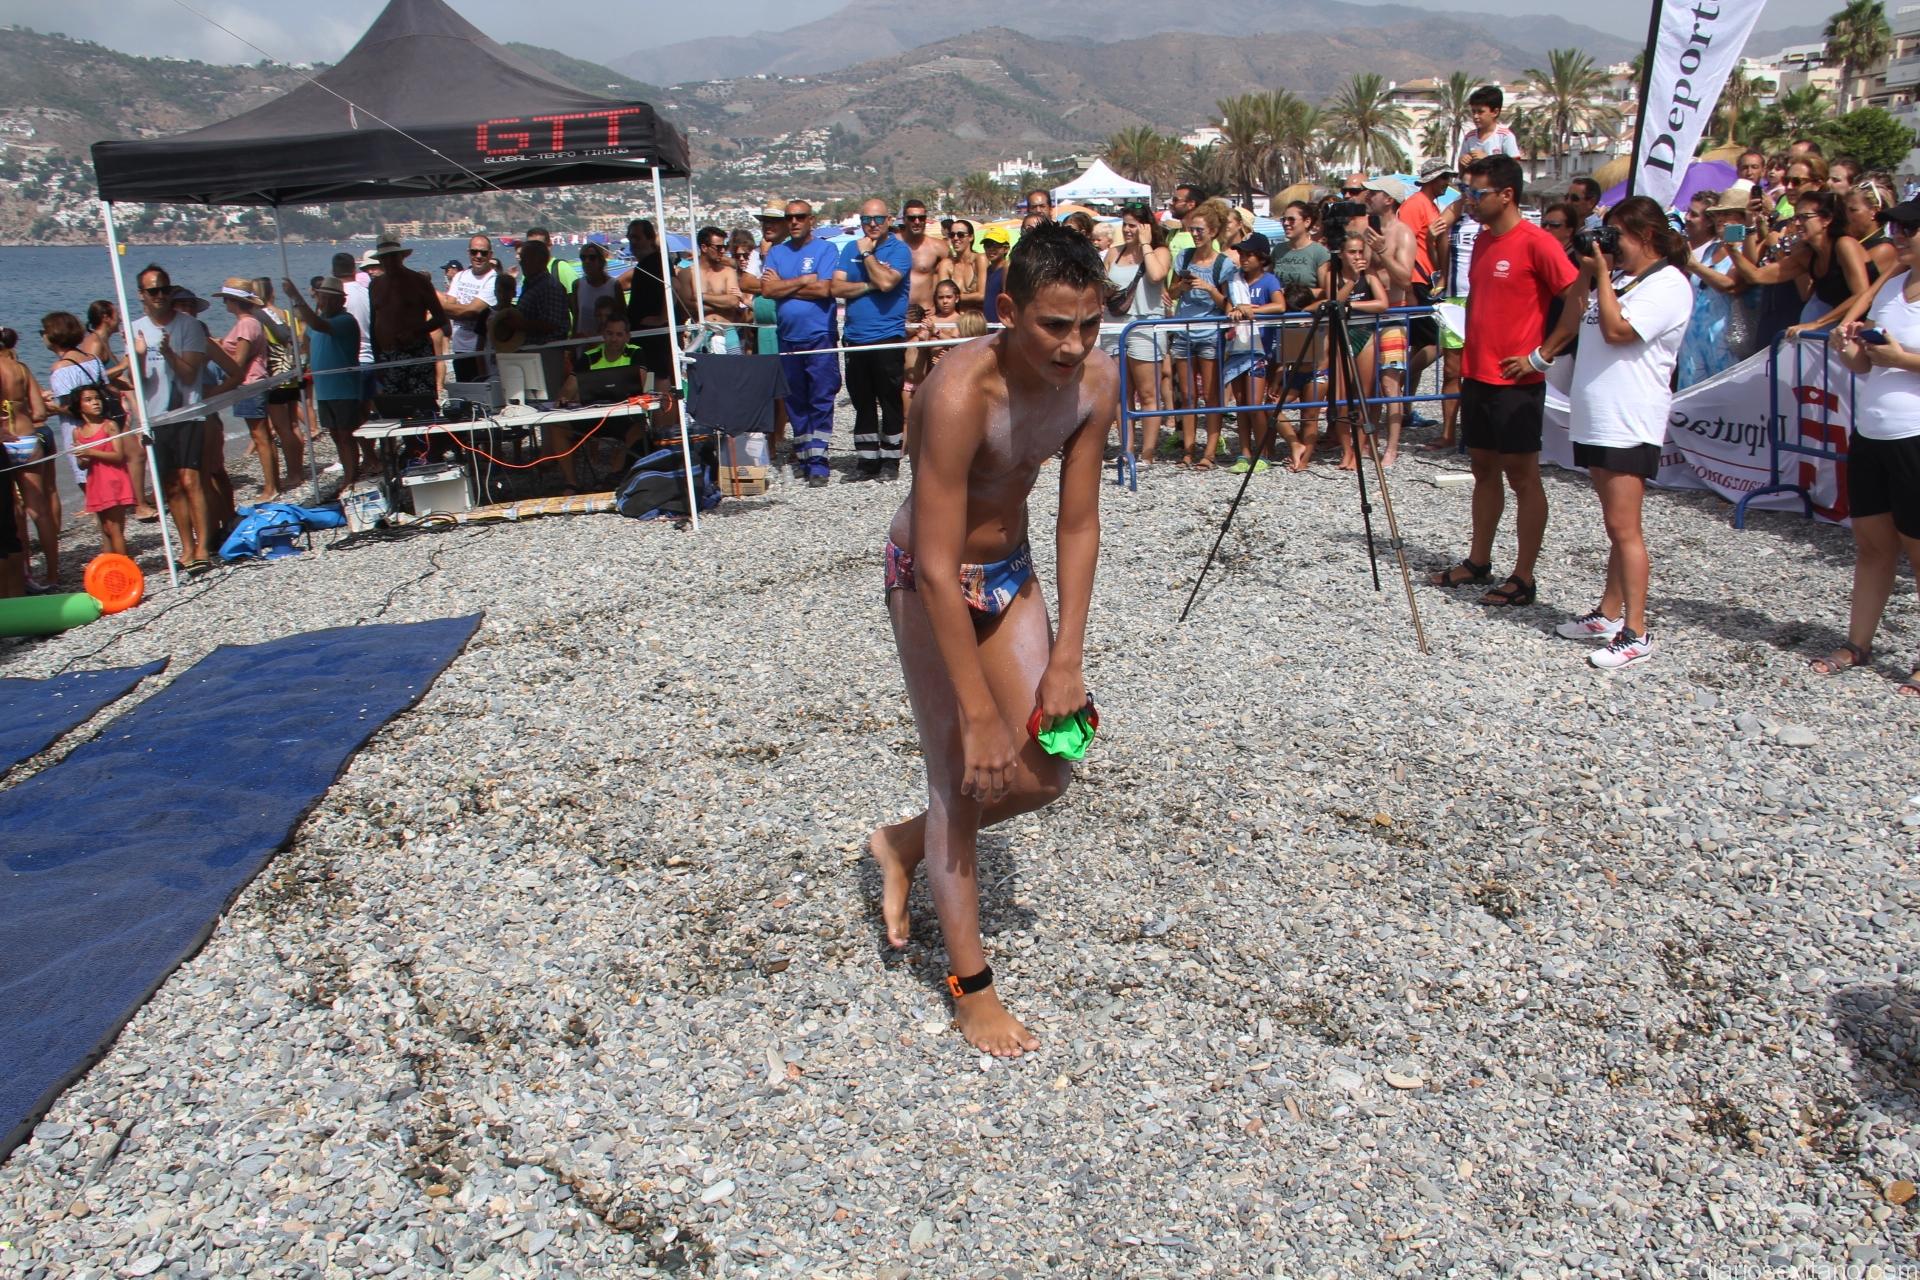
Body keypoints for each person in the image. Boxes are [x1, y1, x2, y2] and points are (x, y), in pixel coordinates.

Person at [868, 221, 1116, 1057]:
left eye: (1090, 324)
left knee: (1048, 768)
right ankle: (971, 990)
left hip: (1012, 572)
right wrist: (977, 713)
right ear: (1009, 312)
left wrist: (1068, 658)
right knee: (961, 778)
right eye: (1055, 325)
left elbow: (1077, 523)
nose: (1074, 344)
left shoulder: (1093, 382)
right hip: (928, 579)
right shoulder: (956, 393)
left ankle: (902, 842)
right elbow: (938, 568)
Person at [1535, 196, 1692, 669]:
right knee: (1613, 524)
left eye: (1616, 235)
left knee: (1626, 529)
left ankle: (1637, 631)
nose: (1609, 244)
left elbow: (1619, 331)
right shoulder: (1623, 279)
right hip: (1599, 415)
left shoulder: (1668, 284)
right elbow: (1578, 316)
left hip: (1630, 418)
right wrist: (1589, 273)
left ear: (1645, 236)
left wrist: (1602, 275)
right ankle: (1608, 613)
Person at [1429, 155, 1579, 607]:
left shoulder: (1537, 242)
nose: (1469, 201)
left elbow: (1577, 299)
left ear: (1507, 195)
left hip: (1516, 381)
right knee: (1482, 468)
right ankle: (1479, 560)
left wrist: (1542, 355)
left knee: (1523, 475)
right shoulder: (1481, 240)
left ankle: (1524, 576)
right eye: (1466, 192)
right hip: (1478, 373)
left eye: (1477, 193)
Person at [1813, 204, 1920, 695]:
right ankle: (1858, 643)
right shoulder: (1894, 285)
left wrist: (1903, 358)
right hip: (1872, 430)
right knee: (1872, 546)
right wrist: (1850, 348)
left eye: (1910, 229)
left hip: (1914, 434)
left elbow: (1897, 358)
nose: (1898, 235)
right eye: (1896, 227)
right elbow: (1866, 365)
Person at [130, 265, 215, 572]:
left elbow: (190, 374)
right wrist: (140, 356)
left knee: (190, 479)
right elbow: (136, 381)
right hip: (156, 417)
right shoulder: (136, 328)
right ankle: (187, 547)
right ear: (142, 295)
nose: (160, 296)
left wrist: (167, 353)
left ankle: (203, 546)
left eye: (165, 289)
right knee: (171, 485)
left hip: (187, 412)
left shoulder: (189, 326)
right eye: (153, 291)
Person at [832, 197, 914, 481]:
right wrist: (869, 285)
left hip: (887, 336)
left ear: (889, 220)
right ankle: (867, 461)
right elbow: (836, 287)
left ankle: (891, 460)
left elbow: (888, 282)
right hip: (855, 337)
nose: (872, 225)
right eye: (866, 219)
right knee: (862, 400)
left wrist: (867, 255)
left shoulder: (899, 250)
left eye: (878, 219)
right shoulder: (849, 248)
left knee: (889, 400)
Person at [763, 200, 841, 485]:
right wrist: (803, 280)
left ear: (811, 220)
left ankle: (819, 460)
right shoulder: (777, 252)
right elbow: (767, 289)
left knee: (821, 396)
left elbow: (824, 289)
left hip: (820, 335)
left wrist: (784, 285)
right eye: (789, 217)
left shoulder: (826, 249)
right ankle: (804, 454)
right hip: (788, 337)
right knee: (795, 400)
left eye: (800, 217)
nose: (794, 222)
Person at [1166, 199, 1239, 468]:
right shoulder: (1184, 257)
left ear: (1213, 232)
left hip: (1210, 333)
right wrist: (1182, 288)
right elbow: (1171, 293)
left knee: (1211, 395)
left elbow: (1228, 304)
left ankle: (1209, 452)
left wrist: (1209, 288)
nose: (1195, 235)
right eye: (1192, 230)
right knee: (1187, 396)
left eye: (1200, 230)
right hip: (1184, 331)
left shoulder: (1223, 264)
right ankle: (1188, 450)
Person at [1728, 190, 1869, 327]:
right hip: (1845, 328)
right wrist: (1732, 249)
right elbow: (1755, 276)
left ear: (1827, 219)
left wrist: (1816, 324)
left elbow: (1862, 294)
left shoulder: (1845, 244)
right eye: (1795, 217)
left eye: (1804, 217)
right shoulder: (1807, 255)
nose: (1796, 223)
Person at [281, 276, 371, 489]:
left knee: (346, 434)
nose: (326, 303)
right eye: (323, 298)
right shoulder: (318, 322)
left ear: (342, 301)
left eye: (332, 299)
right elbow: (307, 339)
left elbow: (318, 325)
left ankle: (351, 476)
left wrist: (295, 296)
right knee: (336, 434)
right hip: (325, 389)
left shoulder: (345, 321)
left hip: (344, 388)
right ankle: (352, 471)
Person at [209, 278, 289, 503]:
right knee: (263, 436)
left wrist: (215, 352)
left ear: (233, 301)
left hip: (249, 384)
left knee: (260, 436)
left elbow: (239, 361)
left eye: (226, 299)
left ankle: (271, 487)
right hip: (255, 382)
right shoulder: (251, 322)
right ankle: (274, 483)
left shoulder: (246, 324)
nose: (225, 303)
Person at [1318, 231, 1391, 471]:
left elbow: (1382, 303)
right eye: (1352, 252)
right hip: (1341, 336)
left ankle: (1359, 450)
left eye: (1360, 252)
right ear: (1341, 254)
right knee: (1341, 399)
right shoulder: (1332, 275)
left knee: (1362, 397)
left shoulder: (1369, 276)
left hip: (1365, 334)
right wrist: (1351, 282)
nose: (1357, 256)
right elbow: (1334, 302)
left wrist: (1352, 304)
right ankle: (1346, 450)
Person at [1106, 203, 1171, 466]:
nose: (1127, 229)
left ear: (1146, 227)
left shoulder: (1160, 251)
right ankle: (1126, 449)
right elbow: (1102, 286)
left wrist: (1145, 244)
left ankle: (1148, 453)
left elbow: (1156, 275)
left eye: (1133, 225)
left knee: (1147, 393)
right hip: (1114, 325)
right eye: (1125, 224)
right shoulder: (1114, 252)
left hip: (1145, 326)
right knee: (1120, 392)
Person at [1398, 160, 1455, 447]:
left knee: (1422, 345)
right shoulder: (1415, 205)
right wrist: (1408, 287)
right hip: (1417, 282)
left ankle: (1405, 408)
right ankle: (1395, 383)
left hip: (1426, 282)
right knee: (1437, 343)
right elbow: (1405, 245)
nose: (1448, 183)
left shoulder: (1429, 205)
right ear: (1434, 179)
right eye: (1444, 178)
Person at [1361, 176, 1417, 464]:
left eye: (1374, 193)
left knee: (1389, 383)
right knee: (1368, 380)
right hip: (1369, 311)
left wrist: (1383, 252)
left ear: (1389, 199)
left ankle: (1392, 447)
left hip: (1394, 312)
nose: (1368, 196)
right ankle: (1368, 441)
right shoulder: (1369, 230)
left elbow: (1406, 279)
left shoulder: (1403, 233)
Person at [43, 310, 125, 505]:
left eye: (43, 332)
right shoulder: (92, 359)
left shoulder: (60, 369)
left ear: (54, 335)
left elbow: (69, 407)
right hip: (102, 427)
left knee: (89, 484)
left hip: (78, 430)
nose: (43, 337)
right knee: (105, 475)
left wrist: (52, 408)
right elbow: (105, 389)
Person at [1677, 187, 1756, 387]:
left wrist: (1694, 265)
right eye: (1718, 214)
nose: (1721, 219)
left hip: (1726, 340)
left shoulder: (1746, 251)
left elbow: (1730, 285)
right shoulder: (1711, 249)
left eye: (1728, 214)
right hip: (1694, 340)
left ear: (1743, 219)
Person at [0, 327, 54, 587]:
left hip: (4, 443)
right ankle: (53, 575)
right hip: (28, 439)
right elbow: (40, 411)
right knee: (39, 510)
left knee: (13, 513)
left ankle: (24, 575)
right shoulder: (21, 368)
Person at [1225, 231, 1281, 473]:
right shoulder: (1234, 281)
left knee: (1254, 404)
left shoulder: (1269, 281)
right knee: (1241, 405)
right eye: (1241, 254)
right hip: (1238, 348)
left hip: (1259, 351)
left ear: (1262, 257)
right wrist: (1234, 310)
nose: (1244, 259)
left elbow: (1280, 305)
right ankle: (1244, 452)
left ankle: (1263, 453)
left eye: (1249, 255)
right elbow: (1228, 306)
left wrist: (1253, 310)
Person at [368, 238, 449, 400]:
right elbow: (373, 322)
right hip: (388, 356)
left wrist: (415, 332)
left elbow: (440, 317)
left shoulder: (419, 282)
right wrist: (377, 360)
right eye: (384, 258)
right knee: (395, 406)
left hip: (417, 353)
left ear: (401, 257)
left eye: (393, 257)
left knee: (422, 404)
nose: (389, 262)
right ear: (380, 260)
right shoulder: (375, 285)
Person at [70, 386, 135, 558]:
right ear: (79, 406)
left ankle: (124, 564)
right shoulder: (77, 432)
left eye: (97, 398)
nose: (95, 402)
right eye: (88, 400)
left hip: (113, 480)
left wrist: (90, 452)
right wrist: (83, 457)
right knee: (105, 528)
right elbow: (82, 465)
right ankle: (112, 564)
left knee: (114, 527)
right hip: (96, 483)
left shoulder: (109, 426)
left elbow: (119, 456)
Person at [621, 218, 676, 386]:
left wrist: (662, 317)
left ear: (650, 238)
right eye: (630, 238)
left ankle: (663, 404)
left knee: (658, 379)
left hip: (654, 336)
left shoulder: (658, 261)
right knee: (648, 380)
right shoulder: (643, 266)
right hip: (643, 335)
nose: (633, 242)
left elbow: (673, 286)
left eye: (637, 237)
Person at [675, 226, 746, 354]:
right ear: (704, 248)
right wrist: (722, 303)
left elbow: (733, 302)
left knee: (735, 366)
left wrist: (701, 297)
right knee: (702, 367)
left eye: (725, 247)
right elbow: (687, 306)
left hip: (727, 332)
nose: (723, 251)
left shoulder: (728, 272)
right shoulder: (687, 274)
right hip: (701, 335)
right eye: (718, 247)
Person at [444, 234, 497, 381]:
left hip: (481, 350)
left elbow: (472, 312)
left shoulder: (493, 280)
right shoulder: (459, 276)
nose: (478, 256)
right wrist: (458, 310)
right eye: (474, 252)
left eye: (483, 253)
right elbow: (450, 307)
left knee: (483, 389)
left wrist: (452, 308)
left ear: (490, 255)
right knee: (465, 391)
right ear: (469, 253)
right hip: (459, 347)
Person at [899, 199, 951, 315]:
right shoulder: (892, 243)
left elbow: (952, 279)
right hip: (897, 314)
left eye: (921, 218)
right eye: (912, 218)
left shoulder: (938, 247)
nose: (917, 222)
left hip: (926, 314)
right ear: (904, 219)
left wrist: (938, 306)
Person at [1456, 85, 1522, 168]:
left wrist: (1488, 160)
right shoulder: (1469, 137)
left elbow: (1515, 169)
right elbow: (1462, 171)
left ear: (1495, 112)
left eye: (1480, 112)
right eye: (1473, 112)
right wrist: (1462, 162)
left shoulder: (1505, 136)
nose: (1475, 116)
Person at [944, 218, 987, 312]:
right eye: (952, 235)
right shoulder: (947, 264)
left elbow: (982, 295)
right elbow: (942, 296)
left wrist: (953, 297)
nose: (955, 238)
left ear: (971, 237)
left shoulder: (979, 259)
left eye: (960, 235)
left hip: (977, 317)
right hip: (955, 317)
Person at [979, 226, 1011, 313]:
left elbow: (1007, 299)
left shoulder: (1007, 268)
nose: (991, 249)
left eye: (995, 245)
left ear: (1006, 249)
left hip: (1000, 320)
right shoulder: (988, 270)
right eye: (987, 245)